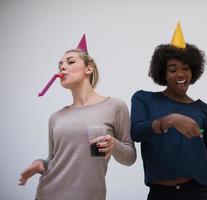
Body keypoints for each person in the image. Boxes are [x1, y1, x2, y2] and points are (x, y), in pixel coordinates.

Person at [19, 34, 136, 200]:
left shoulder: (115, 106)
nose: (62, 67)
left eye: (70, 61)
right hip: (48, 194)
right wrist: (41, 163)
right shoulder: (56, 118)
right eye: (60, 65)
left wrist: (113, 144)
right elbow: (54, 160)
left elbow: (129, 158)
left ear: (89, 69)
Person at [130, 22, 207, 200]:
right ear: (163, 74)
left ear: (193, 71)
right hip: (161, 194)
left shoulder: (203, 109)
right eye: (173, 69)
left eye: (186, 68)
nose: (181, 74)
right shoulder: (144, 99)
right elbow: (137, 132)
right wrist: (169, 121)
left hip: (203, 192)